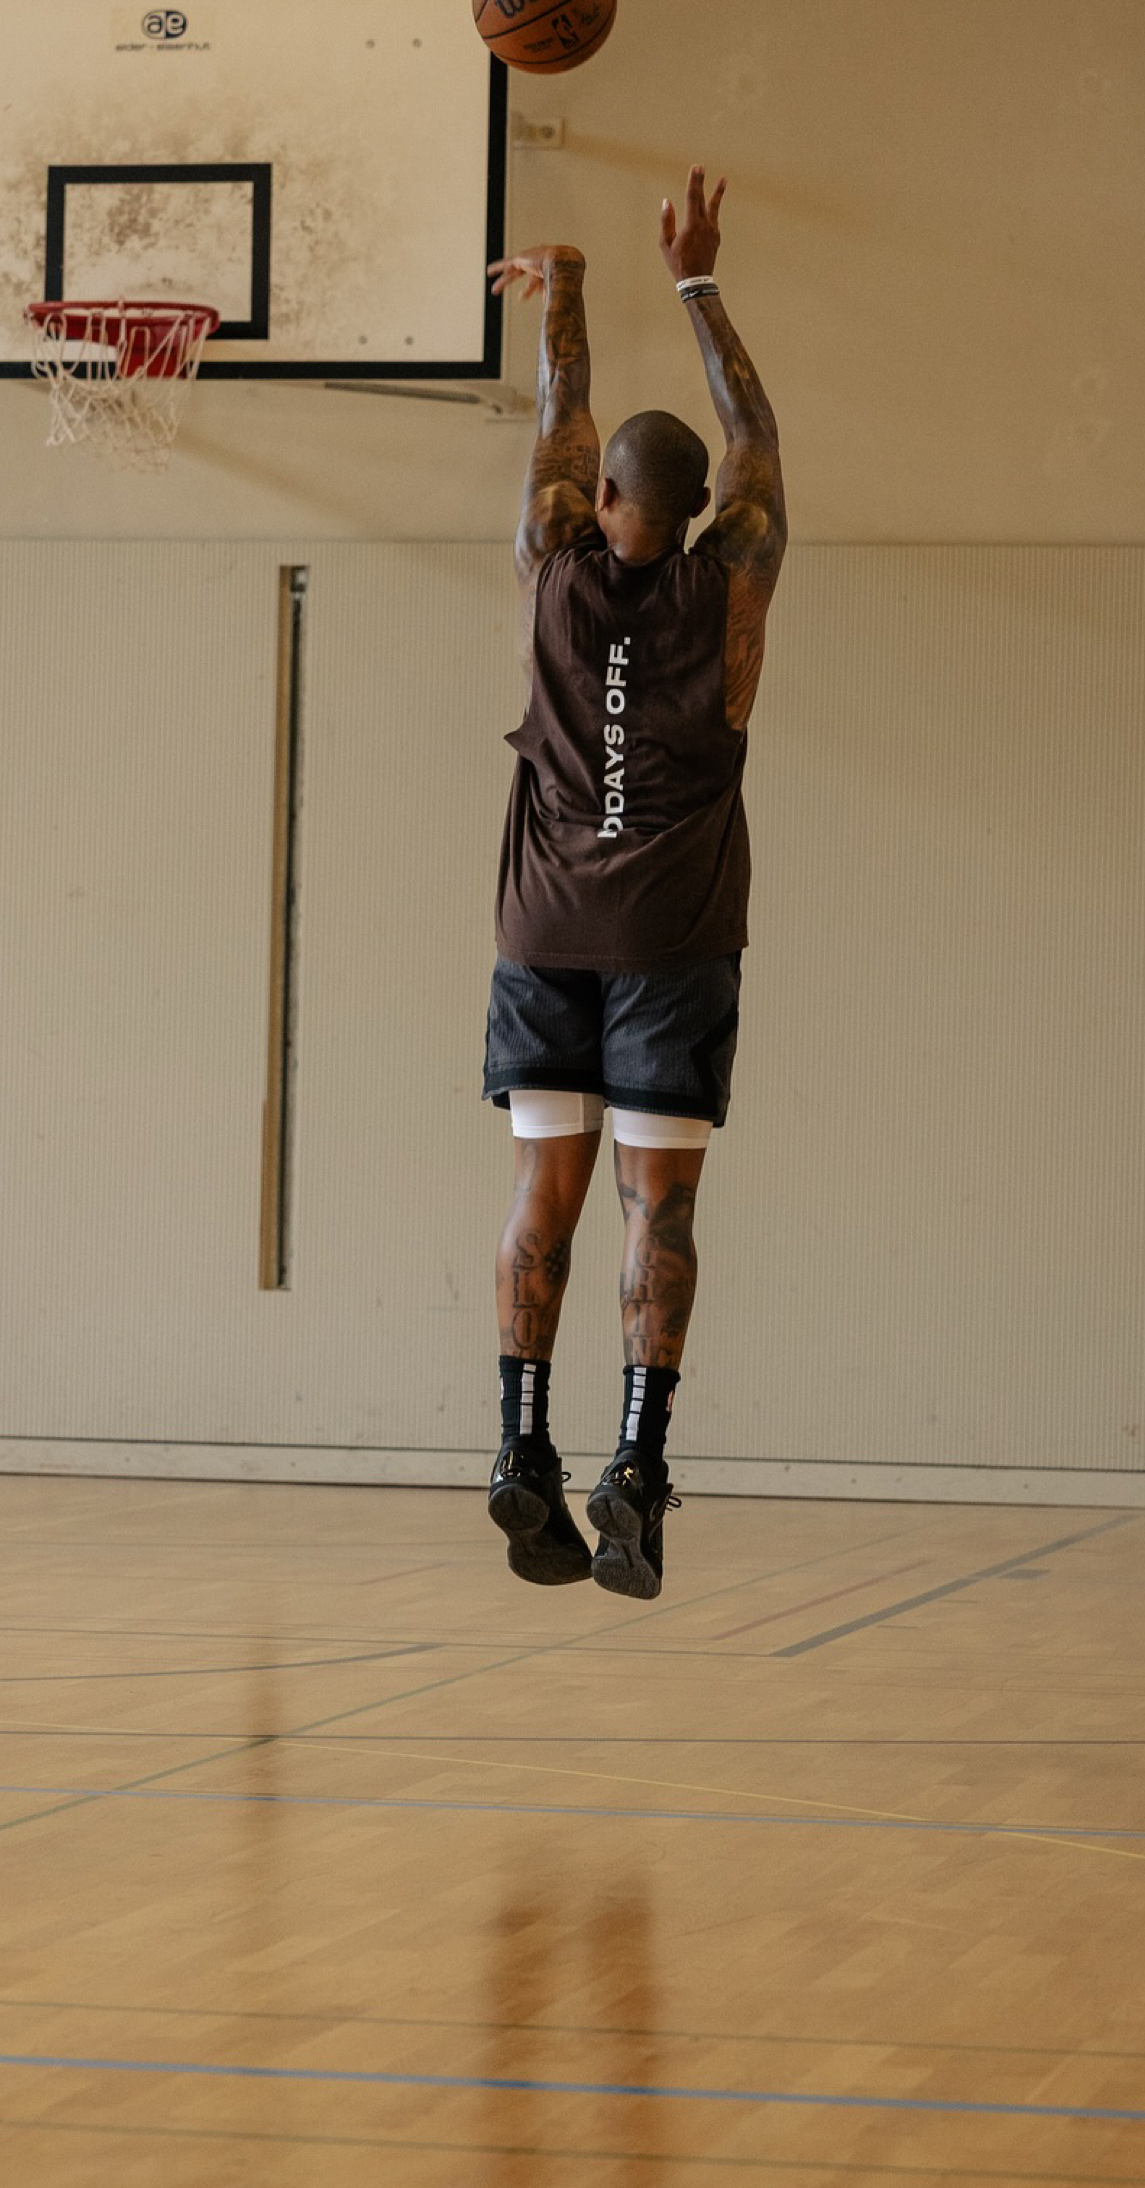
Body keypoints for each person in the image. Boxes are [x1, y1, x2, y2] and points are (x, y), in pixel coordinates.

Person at [481, 167, 787, 1598]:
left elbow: (562, 412)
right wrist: (697, 280)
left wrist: (569, 288)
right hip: (671, 939)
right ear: (702, 511)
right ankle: (637, 1463)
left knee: (540, 1195)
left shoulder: (549, 561)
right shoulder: (734, 584)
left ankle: (518, 1443)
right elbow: (758, 443)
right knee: (654, 1212)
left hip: (546, 929)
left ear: (599, 500)